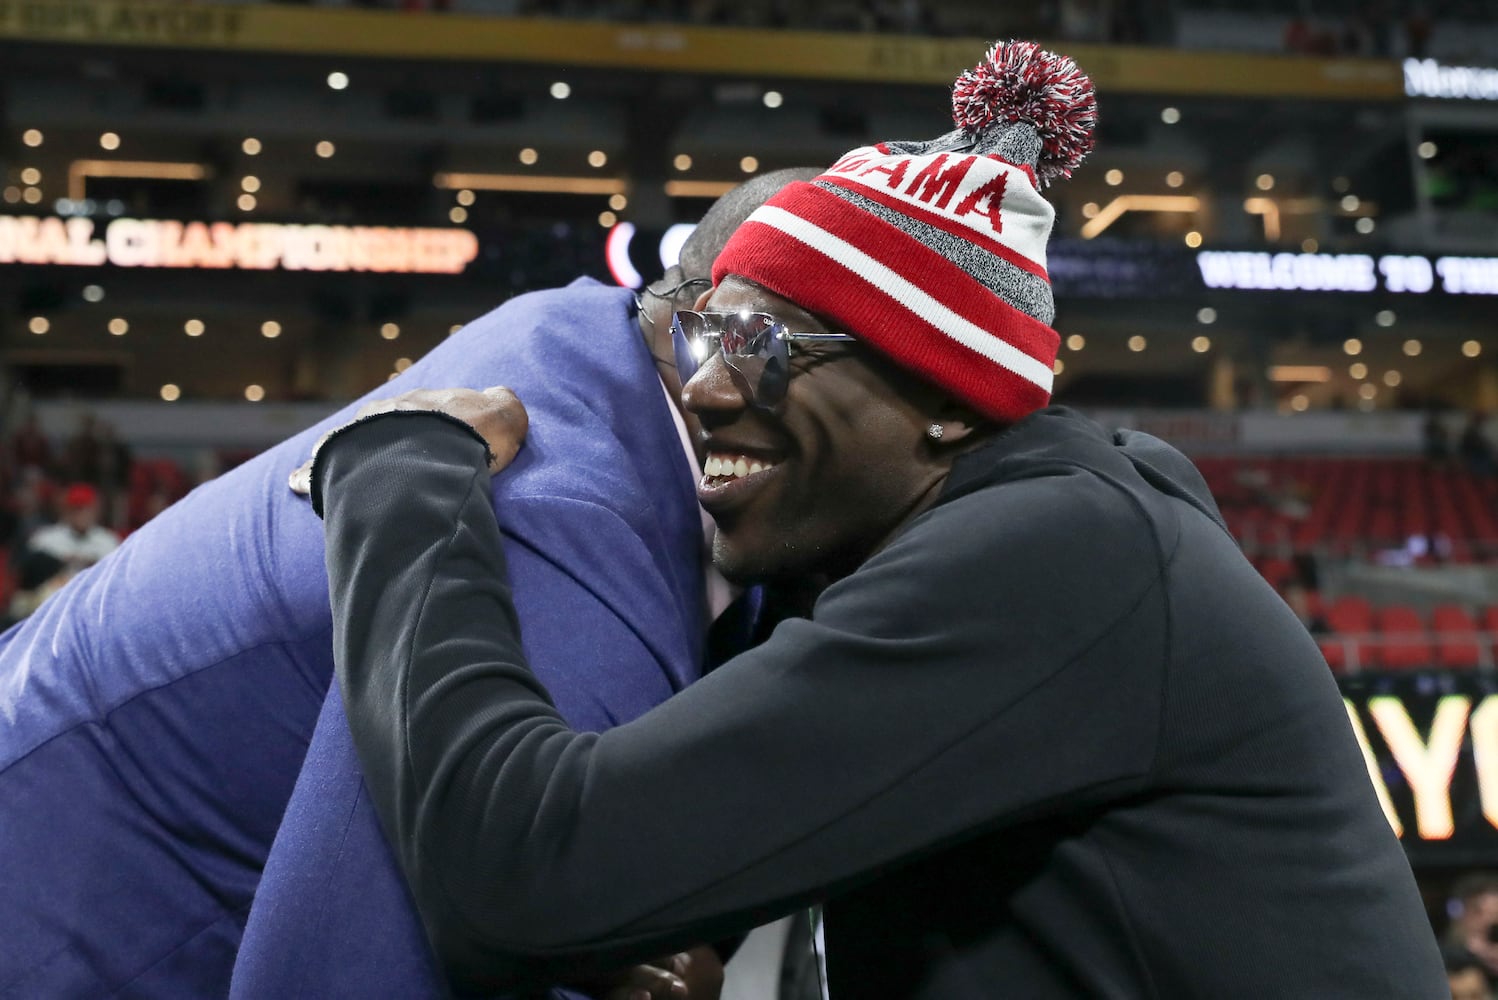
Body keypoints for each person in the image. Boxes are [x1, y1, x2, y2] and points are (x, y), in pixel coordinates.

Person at [312, 42, 1447, 998]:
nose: (703, 389)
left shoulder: (1052, 560)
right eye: (709, 338)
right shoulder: (997, 534)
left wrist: (399, 477)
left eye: (768, 351)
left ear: (951, 404)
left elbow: (518, 871)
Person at [0, 173, 810, 999]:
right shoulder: (564, 521)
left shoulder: (591, 340)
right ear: (732, 344)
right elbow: (344, 974)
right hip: (77, 914)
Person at [26, 481, 119, 570]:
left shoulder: (108, 540)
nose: (82, 514)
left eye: (87, 509)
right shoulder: (44, 539)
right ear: (67, 510)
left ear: (96, 511)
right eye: (77, 508)